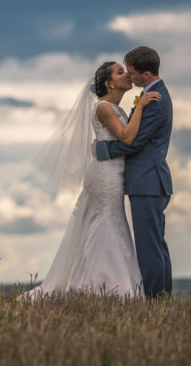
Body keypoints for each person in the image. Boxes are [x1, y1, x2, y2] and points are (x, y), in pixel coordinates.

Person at [21, 59, 160, 301]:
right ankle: (106, 288)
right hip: (105, 174)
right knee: (107, 221)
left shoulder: (115, 109)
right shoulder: (103, 107)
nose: (127, 75)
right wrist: (140, 107)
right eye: (120, 72)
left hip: (112, 172)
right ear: (108, 83)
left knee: (109, 222)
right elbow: (127, 138)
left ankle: (98, 285)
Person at [94, 46, 173, 299]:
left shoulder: (156, 101)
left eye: (131, 72)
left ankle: (154, 300)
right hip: (148, 181)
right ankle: (162, 297)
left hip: (147, 181)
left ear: (146, 74)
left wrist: (101, 150)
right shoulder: (152, 94)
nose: (129, 76)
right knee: (156, 244)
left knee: (149, 247)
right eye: (124, 72)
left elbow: (135, 142)